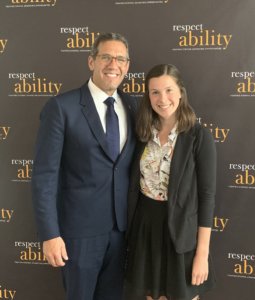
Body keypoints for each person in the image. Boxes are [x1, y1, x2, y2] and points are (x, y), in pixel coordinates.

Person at [32, 32, 137, 300]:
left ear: (127, 66)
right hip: (77, 236)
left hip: (120, 234)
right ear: (91, 61)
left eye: (120, 59)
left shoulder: (132, 106)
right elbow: (45, 176)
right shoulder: (61, 107)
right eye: (106, 57)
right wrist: (50, 235)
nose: (114, 65)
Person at [125, 64, 216, 300]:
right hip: (145, 230)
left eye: (168, 90)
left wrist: (202, 254)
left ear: (181, 92)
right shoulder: (142, 133)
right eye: (154, 92)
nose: (162, 99)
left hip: (181, 235)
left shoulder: (198, 136)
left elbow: (207, 197)